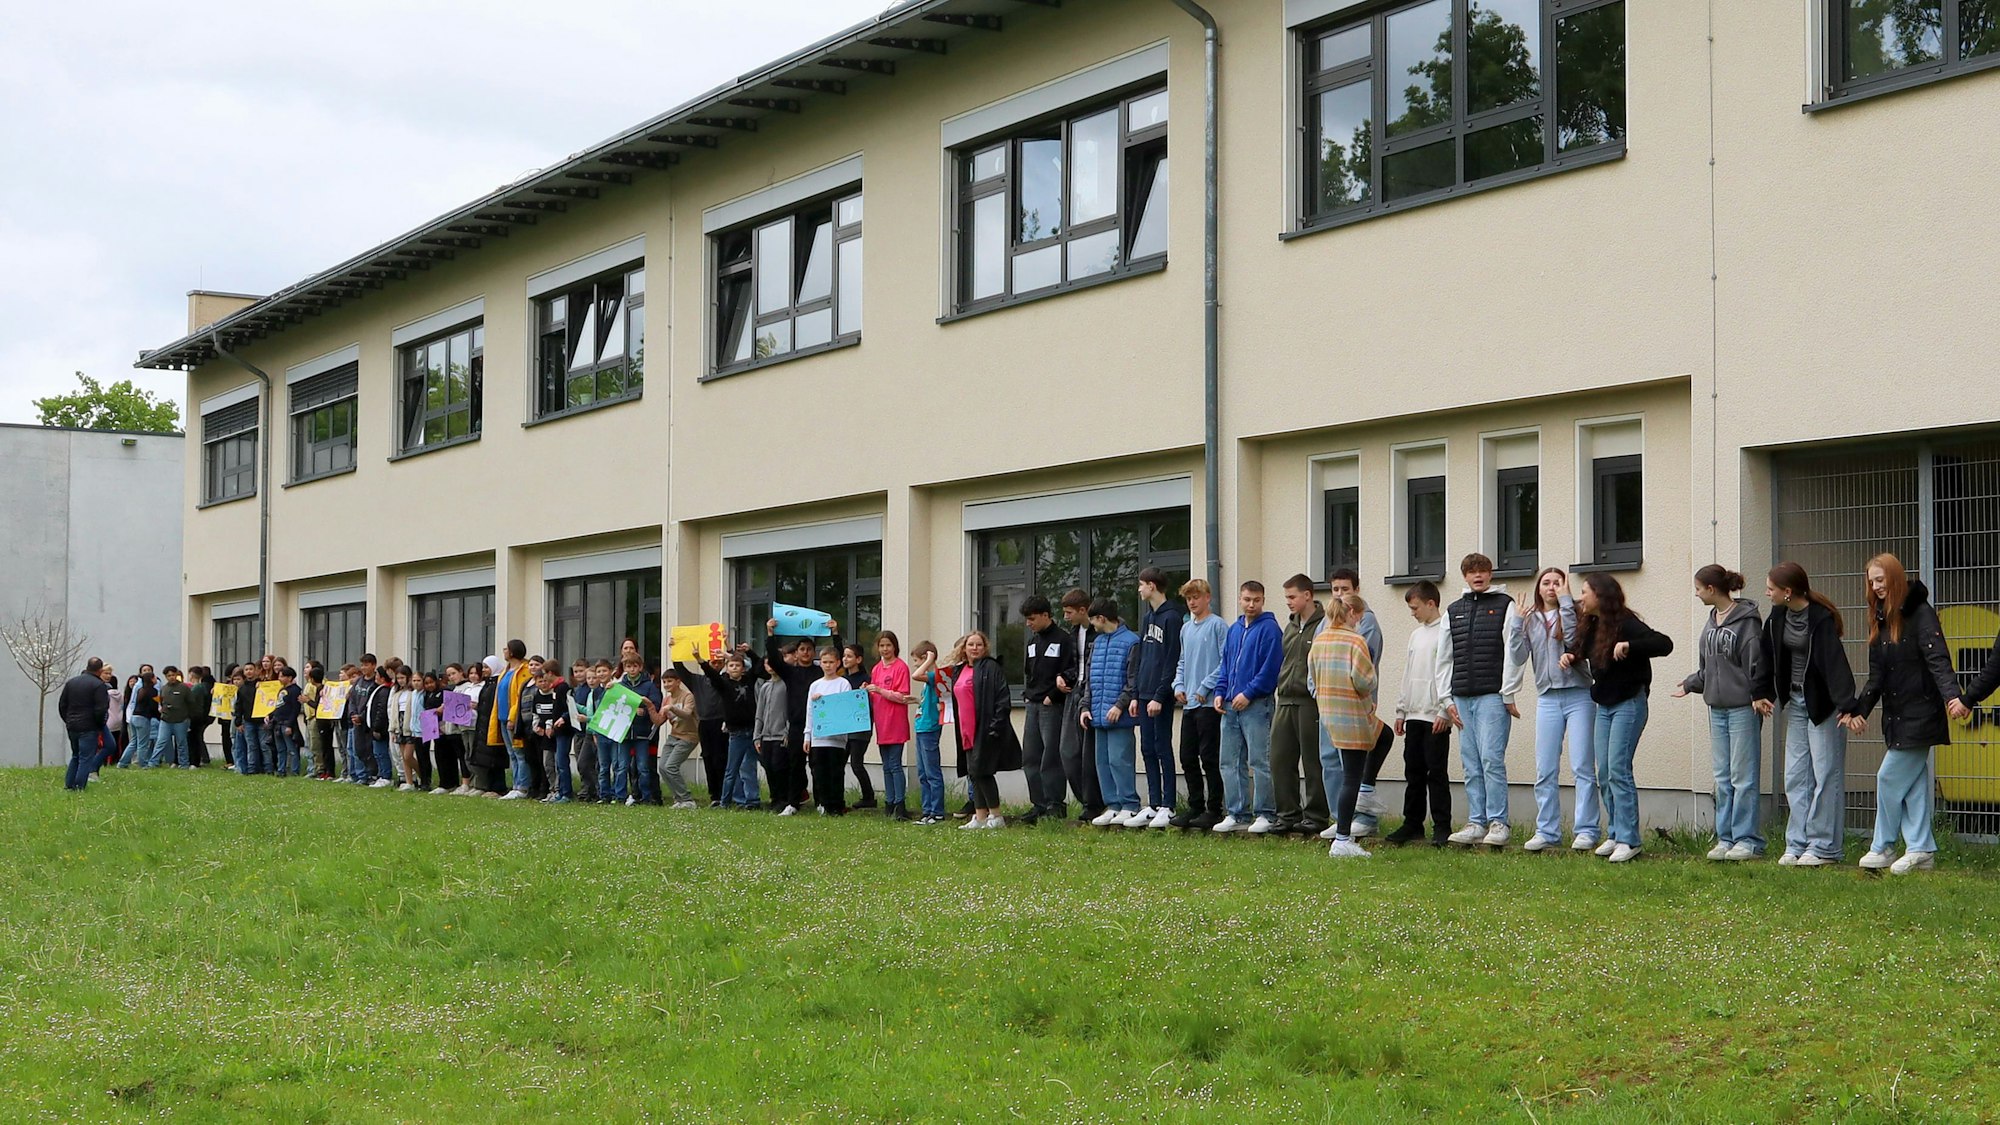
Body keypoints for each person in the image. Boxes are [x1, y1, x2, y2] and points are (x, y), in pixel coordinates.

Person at [1842, 554, 1967, 875]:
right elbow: (1876, 676)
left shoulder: (1921, 614)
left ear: (1895, 578)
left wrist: (1952, 696)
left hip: (1921, 714)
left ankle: (1882, 846)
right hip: (1897, 716)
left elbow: (1938, 658)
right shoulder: (1880, 617)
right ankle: (1921, 850)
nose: (1875, 587)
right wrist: (1859, 710)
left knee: (1887, 777)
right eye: (1871, 581)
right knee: (1912, 787)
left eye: (1881, 580)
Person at [1563, 573, 1674, 863]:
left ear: (1601, 595)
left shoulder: (1627, 623)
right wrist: (1570, 657)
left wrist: (1630, 646)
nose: (1581, 597)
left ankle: (1629, 839)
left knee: (1618, 769)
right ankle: (1614, 833)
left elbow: (1664, 643)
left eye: (1585, 592)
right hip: (1605, 705)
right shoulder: (1592, 624)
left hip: (1629, 703)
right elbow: (1578, 648)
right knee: (1604, 773)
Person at [1752, 563, 1854, 867]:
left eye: (1771, 587)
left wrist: (1848, 707)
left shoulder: (1820, 620)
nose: (1767, 591)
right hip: (1795, 703)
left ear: (1788, 592)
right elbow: (1766, 656)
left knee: (1825, 774)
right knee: (1796, 776)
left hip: (1823, 707)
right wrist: (1761, 692)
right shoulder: (1777, 618)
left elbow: (1836, 666)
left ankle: (1824, 847)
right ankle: (1796, 844)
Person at [1672, 565, 1766, 861]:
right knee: (1722, 777)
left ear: (1712, 589)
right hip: (1717, 708)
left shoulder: (1747, 622)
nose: (1696, 593)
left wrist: (1757, 694)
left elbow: (1755, 663)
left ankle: (1747, 840)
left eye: (1699, 588)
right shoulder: (1711, 621)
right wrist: (1691, 684)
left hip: (1742, 708)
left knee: (1743, 776)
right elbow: (1709, 666)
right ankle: (1725, 837)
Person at [1508, 567, 1601, 853]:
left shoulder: (1575, 612)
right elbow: (1518, 656)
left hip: (1579, 696)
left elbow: (1575, 641)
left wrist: (1565, 603)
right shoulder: (1530, 619)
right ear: (1538, 588)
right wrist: (1515, 624)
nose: (1551, 587)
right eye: (1546, 583)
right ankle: (1547, 831)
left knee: (1582, 766)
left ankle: (1586, 830)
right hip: (1547, 697)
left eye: (1557, 583)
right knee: (1545, 768)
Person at [1439, 554, 1525, 848]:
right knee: (1471, 762)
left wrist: (1508, 691)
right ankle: (1476, 821)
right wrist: (1445, 700)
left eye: (1483, 571)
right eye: (1472, 572)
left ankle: (1499, 822)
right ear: (1464, 576)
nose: (1478, 576)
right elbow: (1444, 658)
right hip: (1461, 697)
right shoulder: (1453, 610)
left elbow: (1513, 653)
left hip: (1492, 696)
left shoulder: (1505, 605)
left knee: (1491, 759)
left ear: (1490, 574)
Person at [1311, 593, 1386, 858]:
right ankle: (1343, 838)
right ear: (1352, 614)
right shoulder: (1356, 640)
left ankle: (1366, 791)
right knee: (1351, 777)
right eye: (1360, 616)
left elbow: (1313, 676)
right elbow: (1364, 680)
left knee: (1384, 734)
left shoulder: (1319, 641)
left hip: (1330, 712)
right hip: (1353, 714)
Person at [1211, 580, 1282, 834]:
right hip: (1229, 705)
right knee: (1229, 761)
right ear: (1240, 600)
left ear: (1263, 600)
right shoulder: (1234, 629)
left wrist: (1248, 693)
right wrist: (1220, 692)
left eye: (1256, 600)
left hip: (1256, 705)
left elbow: (1270, 670)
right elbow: (1226, 665)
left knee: (1259, 759)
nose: (1251, 604)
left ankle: (1265, 813)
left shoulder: (1271, 629)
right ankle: (1236, 812)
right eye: (1247, 599)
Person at [1388, 581, 1453, 845]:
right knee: (1413, 772)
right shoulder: (1416, 635)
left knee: (1436, 772)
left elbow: (1448, 672)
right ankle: (1412, 823)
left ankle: (1442, 826)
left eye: (1415, 608)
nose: (1412, 613)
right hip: (1414, 713)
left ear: (1430, 603)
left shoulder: (1445, 632)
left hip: (1435, 715)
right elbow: (1409, 673)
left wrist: (1444, 710)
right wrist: (1401, 710)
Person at [1329, 569, 1391, 836]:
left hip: (1342, 707)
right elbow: (1364, 677)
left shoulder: (1329, 635)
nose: (1340, 594)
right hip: (1349, 709)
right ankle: (1345, 831)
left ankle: (1359, 821)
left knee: (1356, 766)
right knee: (1349, 773)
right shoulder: (1350, 638)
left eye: (1345, 589)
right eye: (1336, 590)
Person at [1270, 574, 1329, 838]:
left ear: (1308, 595)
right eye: (1286, 598)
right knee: (1280, 758)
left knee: (1313, 759)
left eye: (1292, 597)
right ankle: (1287, 814)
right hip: (1285, 698)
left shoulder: (1323, 624)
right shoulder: (1291, 625)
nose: (1289, 603)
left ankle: (1316, 815)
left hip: (1309, 701)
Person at [766, 620, 841, 815]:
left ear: (814, 652)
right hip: (797, 725)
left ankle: (821, 802)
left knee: (818, 766)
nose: (806, 652)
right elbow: (774, 660)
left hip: (821, 724)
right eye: (802, 649)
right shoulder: (790, 672)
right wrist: (771, 634)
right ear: (796, 653)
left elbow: (838, 660)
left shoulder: (820, 671)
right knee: (794, 765)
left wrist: (835, 634)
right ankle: (793, 802)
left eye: (809, 649)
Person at [1170, 578, 1227, 830]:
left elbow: (1225, 662)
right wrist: (1178, 686)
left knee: (1210, 757)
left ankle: (1215, 808)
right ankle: (1195, 805)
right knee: (1187, 756)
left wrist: (1206, 686)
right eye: (1189, 598)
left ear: (1208, 598)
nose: (1192, 602)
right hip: (1190, 704)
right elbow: (1182, 661)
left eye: (1197, 597)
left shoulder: (1217, 626)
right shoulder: (1186, 629)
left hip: (1208, 703)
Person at [950, 629, 1021, 829]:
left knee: (983, 772)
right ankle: (980, 816)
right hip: (965, 728)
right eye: (971, 644)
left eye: (979, 644)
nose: (975, 648)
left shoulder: (991, 667)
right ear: (964, 648)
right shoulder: (960, 670)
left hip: (984, 728)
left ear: (985, 647)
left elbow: (1002, 697)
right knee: (973, 772)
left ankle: (996, 816)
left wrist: (995, 725)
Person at [1082, 598, 1144, 827]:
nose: (1092, 626)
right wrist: (1084, 707)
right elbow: (1088, 680)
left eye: (1093, 621)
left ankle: (1129, 804)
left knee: (1121, 760)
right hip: (1098, 714)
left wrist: (1120, 705)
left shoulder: (1131, 642)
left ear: (1101, 618)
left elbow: (1132, 680)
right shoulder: (1097, 643)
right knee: (1103, 762)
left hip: (1120, 715)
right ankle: (1113, 805)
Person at [1134, 567, 1185, 827]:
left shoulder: (1172, 617)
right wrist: (1136, 695)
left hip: (1160, 696)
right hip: (1143, 694)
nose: (1139, 589)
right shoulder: (1147, 618)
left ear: (1152, 585)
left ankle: (1169, 805)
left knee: (1162, 747)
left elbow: (1171, 659)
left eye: (1141, 585)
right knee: (1147, 748)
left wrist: (1159, 694)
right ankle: (1153, 804)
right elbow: (1143, 657)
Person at [688, 648, 764, 811]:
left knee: (749, 768)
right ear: (727, 669)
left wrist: (748, 652)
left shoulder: (749, 680)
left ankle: (752, 801)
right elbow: (712, 675)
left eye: (738, 665)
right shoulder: (724, 684)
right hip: (735, 733)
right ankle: (725, 801)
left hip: (751, 731)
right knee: (731, 769)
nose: (735, 668)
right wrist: (700, 659)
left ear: (743, 669)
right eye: (731, 665)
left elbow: (758, 665)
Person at [1018, 595, 1071, 824]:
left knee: (1051, 756)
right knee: (1030, 756)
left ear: (1045, 616)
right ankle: (1038, 804)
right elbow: (1029, 672)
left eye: (1032, 619)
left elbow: (1069, 671)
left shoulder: (1063, 640)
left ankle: (1055, 804)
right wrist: (1028, 696)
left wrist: (1053, 696)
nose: (1028, 623)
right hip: (1033, 705)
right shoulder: (1032, 642)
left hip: (1052, 706)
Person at [1054, 589, 1103, 823]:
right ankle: (1085, 799)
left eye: (1069, 612)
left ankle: (1094, 804)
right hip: (1074, 694)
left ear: (1083, 610)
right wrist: (1063, 677)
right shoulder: (1073, 634)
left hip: (1092, 695)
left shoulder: (1099, 632)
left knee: (1089, 753)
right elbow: (1075, 666)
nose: (1066, 617)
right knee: (1067, 751)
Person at [863, 633, 913, 820]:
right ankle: (889, 803)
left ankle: (900, 804)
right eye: (882, 645)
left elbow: (903, 696)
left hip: (896, 721)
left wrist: (881, 690)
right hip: (881, 722)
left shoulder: (901, 667)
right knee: (886, 766)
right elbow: (874, 695)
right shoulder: (876, 669)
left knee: (895, 764)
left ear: (895, 647)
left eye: (888, 645)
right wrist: (867, 690)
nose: (885, 649)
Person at [805, 645, 853, 816]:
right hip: (818, 738)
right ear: (820, 663)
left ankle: (837, 805)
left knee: (836, 772)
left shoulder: (843, 684)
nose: (828, 665)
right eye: (825, 662)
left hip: (837, 739)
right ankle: (823, 804)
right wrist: (807, 736)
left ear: (838, 663)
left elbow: (846, 707)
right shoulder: (815, 685)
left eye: (831, 662)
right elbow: (810, 711)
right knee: (819, 772)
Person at [909, 641, 948, 824]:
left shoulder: (934, 676)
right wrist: (917, 700)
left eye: (917, 660)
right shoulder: (929, 681)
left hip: (930, 728)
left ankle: (937, 811)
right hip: (921, 727)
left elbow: (916, 675)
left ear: (925, 657)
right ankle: (927, 811)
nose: (915, 664)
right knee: (923, 773)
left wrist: (930, 660)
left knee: (932, 772)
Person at [59, 657, 111, 791]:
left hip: (72, 725)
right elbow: (101, 709)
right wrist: (99, 724)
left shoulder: (71, 682)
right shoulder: (98, 685)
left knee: (75, 755)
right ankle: (79, 787)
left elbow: (62, 705)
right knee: (85, 758)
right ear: (100, 670)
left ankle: (69, 785)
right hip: (89, 726)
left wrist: (68, 720)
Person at [618, 653, 664, 806]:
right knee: (622, 766)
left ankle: (646, 796)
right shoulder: (621, 685)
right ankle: (620, 796)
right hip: (623, 733)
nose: (632, 670)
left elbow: (655, 703)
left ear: (640, 667)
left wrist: (643, 710)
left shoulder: (648, 685)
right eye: (628, 666)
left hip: (642, 733)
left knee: (643, 767)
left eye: (634, 666)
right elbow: (613, 704)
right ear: (624, 668)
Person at [839, 643, 879, 810]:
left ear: (858, 659)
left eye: (849, 656)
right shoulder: (842, 680)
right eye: (844, 656)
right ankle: (837, 797)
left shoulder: (866, 679)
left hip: (861, 728)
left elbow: (871, 704)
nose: (845, 659)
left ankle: (869, 797)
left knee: (856, 763)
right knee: (840, 763)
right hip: (844, 727)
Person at [656, 666, 702, 809]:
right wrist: (649, 706)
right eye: (664, 682)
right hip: (673, 736)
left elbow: (687, 714)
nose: (666, 684)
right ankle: (679, 800)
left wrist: (672, 708)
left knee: (671, 766)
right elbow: (658, 720)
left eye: (670, 681)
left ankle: (687, 800)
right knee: (663, 767)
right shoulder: (666, 699)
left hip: (689, 736)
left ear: (678, 682)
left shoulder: (688, 696)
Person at [754, 654, 789, 811]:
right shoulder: (765, 687)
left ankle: (783, 799)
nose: (770, 666)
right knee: (768, 767)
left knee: (778, 767)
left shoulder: (786, 684)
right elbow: (759, 713)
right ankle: (774, 798)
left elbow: (790, 710)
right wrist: (757, 736)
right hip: (765, 736)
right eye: (767, 664)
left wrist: (787, 731)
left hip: (780, 734)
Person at [565, 660, 597, 803]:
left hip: (588, 731)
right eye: (575, 671)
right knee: (580, 761)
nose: (578, 674)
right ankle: (586, 789)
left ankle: (590, 790)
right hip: (578, 730)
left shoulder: (590, 691)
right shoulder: (576, 690)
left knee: (586, 763)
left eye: (581, 671)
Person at [154, 665, 194, 769]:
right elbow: (161, 702)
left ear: (176, 675)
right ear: (165, 677)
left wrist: (188, 717)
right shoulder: (164, 688)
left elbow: (191, 703)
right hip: (166, 720)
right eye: (168, 676)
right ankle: (153, 763)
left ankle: (184, 764)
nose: (171, 677)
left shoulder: (184, 688)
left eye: (173, 675)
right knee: (161, 741)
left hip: (181, 720)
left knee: (181, 743)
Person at [266, 665, 303, 777]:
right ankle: (281, 770)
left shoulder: (295, 690)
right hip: (278, 722)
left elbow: (295, 709)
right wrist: (270, 715)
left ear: (290, 677)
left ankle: (294, 770)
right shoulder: (282, 690)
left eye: (282, 676)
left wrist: (290, 725)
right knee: (280, 749)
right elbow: (279, 706)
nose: (279, 678)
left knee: (291, 749)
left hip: (287, 723)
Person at [126, 665, 160, 768]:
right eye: (154, 678)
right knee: (143, 744)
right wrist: (159, 716)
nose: (156, 679)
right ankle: (143, 764)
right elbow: (154, 707)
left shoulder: (140, 689)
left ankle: (122, 762)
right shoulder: (153, 691)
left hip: (134, 717)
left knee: (133, 742)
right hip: (143, 718)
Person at [187, 666, 215, 768]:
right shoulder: (203, 687)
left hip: (195, 716)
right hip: (201, 716)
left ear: (192, 675)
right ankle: (200, 759)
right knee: (197, 737)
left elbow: (191, 702)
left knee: (193, 738)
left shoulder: (197, 688)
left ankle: (195, 761)